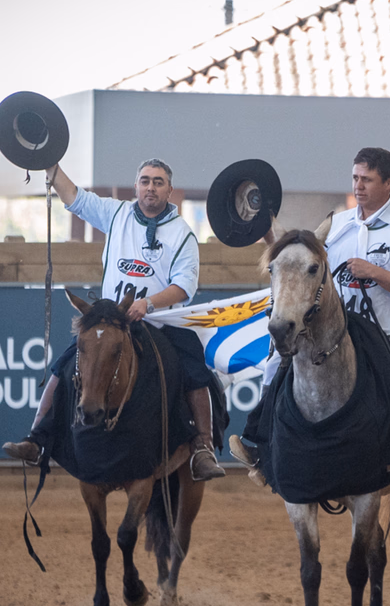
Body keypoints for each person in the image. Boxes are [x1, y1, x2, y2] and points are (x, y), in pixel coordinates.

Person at [3, 159, 225, 480]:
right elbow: (73, 197)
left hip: (161, 321)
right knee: (64, 365)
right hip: (109, 320)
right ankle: (37, 439)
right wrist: (49, 163)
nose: (151, 187)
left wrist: (148, 303)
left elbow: (184, 286)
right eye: (145, 180)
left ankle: (202, 447)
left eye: (158, 182)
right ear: (136, 186)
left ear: (170, 190)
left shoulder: (182, 234)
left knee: (194, 369)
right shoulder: (116, 213)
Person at [233, 147, 390, 475]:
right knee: (275, 360)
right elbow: (301, 260)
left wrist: (375, 272)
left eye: (368, 180)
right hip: (334, 326)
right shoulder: (336, 225)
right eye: (355, 178)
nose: (358, 186)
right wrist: (267, 234)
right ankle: (262, 446)